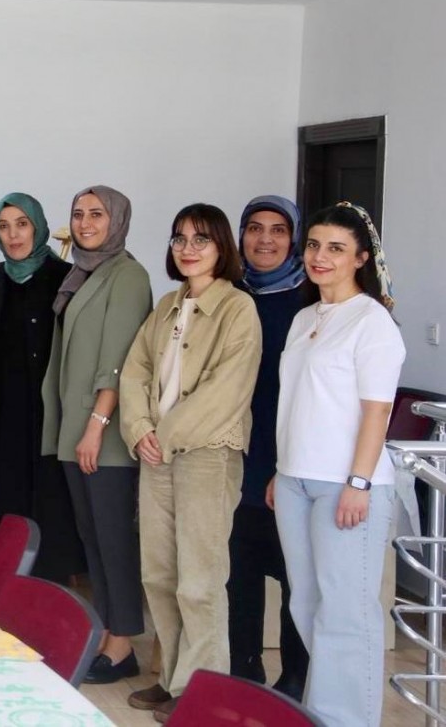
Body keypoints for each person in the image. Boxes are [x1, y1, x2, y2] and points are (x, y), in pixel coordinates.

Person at [119, 203, 262, 718]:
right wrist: (139, 429)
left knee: (200, 580)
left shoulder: (238, 308)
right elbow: (135, 370)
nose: (188, 249)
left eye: (201, 239)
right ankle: (173, 678)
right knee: (159, 574)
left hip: (207, 454)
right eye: (179, 238)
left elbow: (227, 390)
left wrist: (164, 435)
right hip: (156, 452)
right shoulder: (168, 304)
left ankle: (204, 693)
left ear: (222, 246)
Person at [271, 202, 404, 727]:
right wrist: (281, 470)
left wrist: (358, 482)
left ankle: (345, 719)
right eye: (314, 245)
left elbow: (377, 411)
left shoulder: (372, 321)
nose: (319, 256)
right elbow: (299, 402)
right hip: (295, 479)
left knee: (347, 612)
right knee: (306, 603)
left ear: (361, 259)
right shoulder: (305, 318)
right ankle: (327, 714)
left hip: (346, 484)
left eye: (335, 248)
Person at [41, 185, 152, 684]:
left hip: (101, 434)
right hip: (76, 430)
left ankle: (123, 643)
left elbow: (120, 359)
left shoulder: (128, 275)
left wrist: (96, 425)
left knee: (114, 540)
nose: (86, 223)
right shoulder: (83, 272)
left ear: (118, 221)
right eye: (78, 214)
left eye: (97, 214)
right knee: (94, 541)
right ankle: (108, 633)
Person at [227, 195, 310, 699]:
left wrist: (289, 461)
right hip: (236, 452)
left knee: (294, 575)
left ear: (294, 237)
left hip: (290, 455)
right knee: (238, 573)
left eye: (278, 229)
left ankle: (294, 680)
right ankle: (243, 672)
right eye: (254, 228)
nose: (264, 239)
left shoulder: (309, 300)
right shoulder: (231, 293)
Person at [0, 192, 85, 581]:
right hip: (4, 416)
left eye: (21, 224)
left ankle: (48, 598)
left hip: (50, 417)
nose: (13, 235)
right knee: (8, 509)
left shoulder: (66, 278)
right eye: (3, 226)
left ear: (37, 227)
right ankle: (7, 596)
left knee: (50, 509)